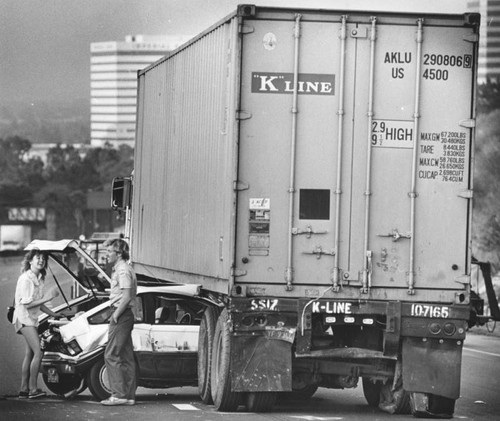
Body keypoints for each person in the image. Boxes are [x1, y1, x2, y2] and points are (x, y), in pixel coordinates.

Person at [12, 249, 60, 399]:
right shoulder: (26, 279)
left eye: (43, 259)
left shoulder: (39, 278)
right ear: (30, 261)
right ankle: (33, 389)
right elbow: (28, 304)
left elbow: (37, 304)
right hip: (24, 318)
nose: (41, 261)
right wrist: (48, 297)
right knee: (38, 352)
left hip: (30, 319)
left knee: (30, 353)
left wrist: (54, 314)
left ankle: (24, 389)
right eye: (37, 258)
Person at [101, 238, 137, 406]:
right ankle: (128, 396)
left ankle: (119, 395)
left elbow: (126, 296)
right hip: (126, 314)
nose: (107, 255)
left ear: (119, 253)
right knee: (126, 355)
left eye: (109, 252)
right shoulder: (123, 268)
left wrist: (115, 315)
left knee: (111, 354)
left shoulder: (122, 270)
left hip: (121, 314)